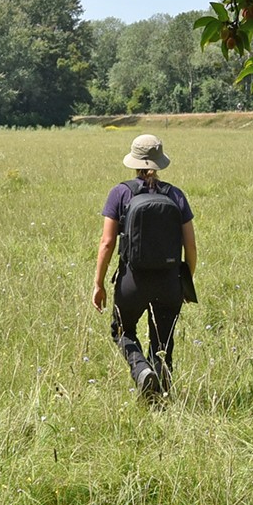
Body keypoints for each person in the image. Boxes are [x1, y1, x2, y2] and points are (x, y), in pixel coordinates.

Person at [92, 133, 197, 401]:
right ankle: (160, 387)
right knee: (163, 342)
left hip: (132, 280)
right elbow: (191, 247)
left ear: (134, 161)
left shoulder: (120, 192)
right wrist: (184, 281)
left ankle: (140, 370)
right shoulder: (175, 195)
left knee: (122, 330)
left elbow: (106, 243)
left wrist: (99, 283)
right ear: (160, 162)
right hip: (169, 280)